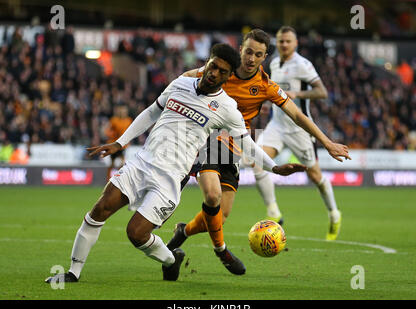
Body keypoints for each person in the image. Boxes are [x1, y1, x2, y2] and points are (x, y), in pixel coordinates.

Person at [45, 43, 306, 284]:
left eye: (221, 71)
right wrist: (121, 142)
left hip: (169, 179)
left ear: (228, 78)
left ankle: (172, 259)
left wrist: (274, 167)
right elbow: (152, 111)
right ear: (207, 63)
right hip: (142, 163)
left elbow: (246, 143)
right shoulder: (181, 83)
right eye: (212, 66)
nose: (214, 73)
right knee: (99, 210)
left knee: (136, 233)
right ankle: (73, 272)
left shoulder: (227, 108)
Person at [166, 29, 351, 273]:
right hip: (208, 139)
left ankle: (184, 231)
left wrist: (327, 142)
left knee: (219, 218)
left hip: (235, 147)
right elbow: (188, 77)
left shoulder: (266, 85)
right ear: (241, 49)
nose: (251, 58)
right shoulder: (223, 69)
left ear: (264, 58)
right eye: (249, 51)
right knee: (212, 196)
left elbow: (297, 114)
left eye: (258, 54)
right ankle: (222, 251)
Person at [254, 26, 342, 240]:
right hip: (276, 125)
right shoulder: (274, 62)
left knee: (315, 176)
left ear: (295, 43)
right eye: (281, 41)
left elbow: (322, 92)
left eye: (288, 41)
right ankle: (274, 212)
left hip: (299, 128)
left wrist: (297, 93)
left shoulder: (303, 65)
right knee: (257, 161)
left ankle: (333, 213)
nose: (284, 44)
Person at [104, 105, 133, 181]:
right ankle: (108, 179)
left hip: (122, 146)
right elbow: (108, 131)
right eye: (121, 111)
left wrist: (129, 141)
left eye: (124, 111)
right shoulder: (114, 120)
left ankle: (119, 178)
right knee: (112, 163)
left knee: (122, 163)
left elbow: (130, 132)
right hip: (114, 144)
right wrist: (111, 135)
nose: (123, 113)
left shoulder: (128, 120)